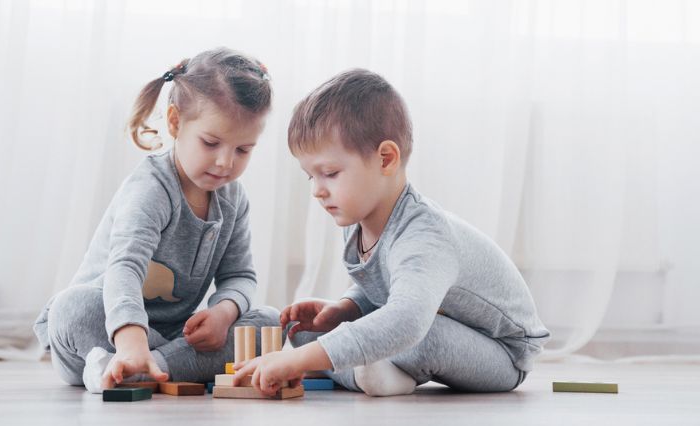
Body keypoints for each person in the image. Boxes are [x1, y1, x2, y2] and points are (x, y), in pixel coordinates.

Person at [234, 69, 550, 397]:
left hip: (503, 354)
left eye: (329, 173)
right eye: (310, 176)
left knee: (420, 333)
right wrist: (347, 308)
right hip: (428, 324)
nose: (317, 190)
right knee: (303, 334)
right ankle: (368, 372)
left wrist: (298, 361)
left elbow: (407, 319)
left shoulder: (424, 237)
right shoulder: (359, 223)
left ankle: (377, 376)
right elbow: (387, 283)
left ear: (386, 159)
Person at [33, 47, 278, 393]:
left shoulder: (233, 199)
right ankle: (132, 360)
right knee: (70, 307)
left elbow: (240, 276)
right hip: (105, 326)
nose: (225, 163)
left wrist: (224, 312)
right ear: (176, 122)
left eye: (243, 150)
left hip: (173, 335)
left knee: (270, 323)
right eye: (211, 143)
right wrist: (131, 340)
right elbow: (125, 268)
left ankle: (154, 367)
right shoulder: (151, 189)